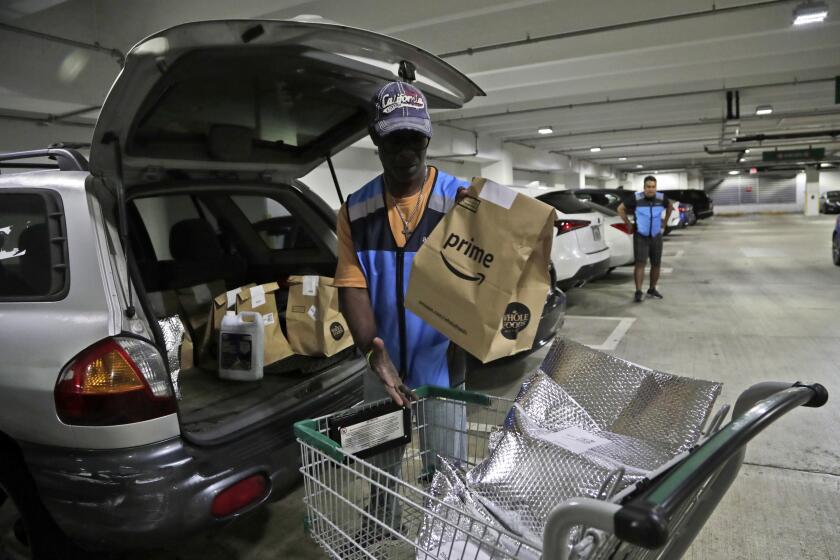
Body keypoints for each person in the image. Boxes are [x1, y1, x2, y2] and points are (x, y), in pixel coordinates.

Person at [334, 81, 469, 538]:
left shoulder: (461, 200)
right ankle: (382, 522)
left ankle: (443, 532)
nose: (406, 150)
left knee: (446, 460)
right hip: (382, 364)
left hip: (444, 364)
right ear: (377, 140)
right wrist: (375, 353)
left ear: (428, 138)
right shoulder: (356, 209)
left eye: (415, 138)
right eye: (395, 139)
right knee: (378, 454)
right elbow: (352, 286)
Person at [617, 176, 671, 302]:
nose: (651, 190)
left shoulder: (661, 198)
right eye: (648, 187)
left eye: (653, 187)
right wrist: (628, 223)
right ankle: (638, 291)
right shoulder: (637, 198)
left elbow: (669, 207)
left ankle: (652, 288)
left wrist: (665, 222)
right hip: (641, 235)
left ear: (655, 187)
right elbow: (620, 209)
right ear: (644, 187)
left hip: (656, 235)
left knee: (656, 264)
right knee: (640, 264)